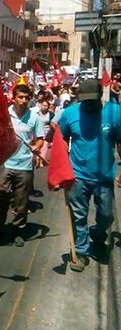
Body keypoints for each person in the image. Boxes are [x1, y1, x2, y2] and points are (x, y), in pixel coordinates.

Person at [58, 79, 121, 272]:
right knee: (79, 216)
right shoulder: (69, 114)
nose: (88, 104)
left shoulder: (114, 112)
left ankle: (97, 233)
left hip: (104, 176)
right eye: (84, 100)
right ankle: (81, 252)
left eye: (92, 100)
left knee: (106, 215)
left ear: (101, 95)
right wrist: (62, 168)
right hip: (77, 176)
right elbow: (61, 139)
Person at [0, 84, 44, 247]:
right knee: (2, 196)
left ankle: (19, 230)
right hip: (6, 163)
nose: (24, 100)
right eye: (20, 97)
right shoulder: (5, 114)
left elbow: (40, 137)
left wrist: (37, 146)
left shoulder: (34, 117)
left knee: (21, 201)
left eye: (27, 97)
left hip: (24, 165)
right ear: (13, 97)